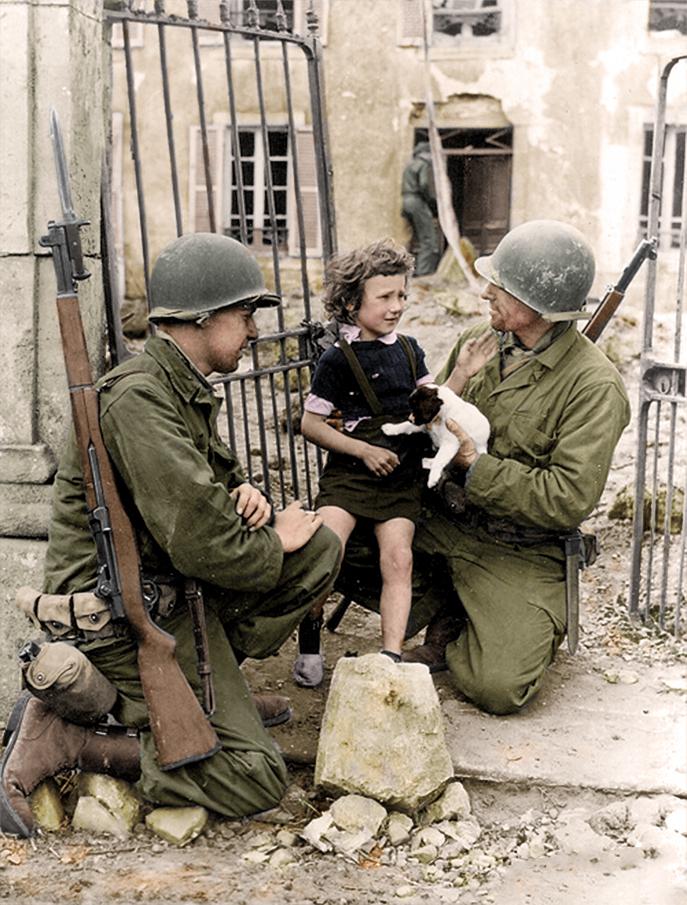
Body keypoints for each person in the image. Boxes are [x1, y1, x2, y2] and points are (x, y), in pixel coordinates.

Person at [0, 233, 341, 837]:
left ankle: (219, 689)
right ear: (202, 318)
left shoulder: (179, 387)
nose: (255, 331)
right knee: (257, 776)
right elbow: (207, 543)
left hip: (173, 590)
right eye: (245, 315)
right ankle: (76, 737)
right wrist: (270, 540)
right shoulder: (140, 400)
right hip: (122, 616)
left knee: (318, 549)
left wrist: (254, 497)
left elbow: (221, 489)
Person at [403, 219, 632, 714]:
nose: (487, 293)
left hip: (519, 549)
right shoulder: (479, 341)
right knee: (342, 554)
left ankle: (469, 624)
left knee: (500, 688)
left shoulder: (595, 387)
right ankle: (451, 601)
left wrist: (475, 466)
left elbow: (566, 497)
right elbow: (434, 413)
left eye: (501, 288)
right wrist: (457, 379)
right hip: (445, 523)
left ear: (541, 307)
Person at [292, 239, 434, 688]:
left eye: (402, 295)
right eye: (385, 297)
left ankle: (390, 655)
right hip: (350, 475)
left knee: (399, 558)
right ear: (353, 303)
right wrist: (362, 451)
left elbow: (432, 405)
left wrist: (460, 377)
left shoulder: (410, 351)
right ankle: (310, 644)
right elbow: (312, 425)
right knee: (324, 552)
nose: (397, 306)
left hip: (399, 476)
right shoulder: (337, 359)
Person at [401, 142, 441, 277]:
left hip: (406, 200)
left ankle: (407, 269)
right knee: (428, 238)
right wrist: (431, 201)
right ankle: (423, 272)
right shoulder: (423, 163)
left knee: (412, 237)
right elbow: (424, 184)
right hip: (417, 201)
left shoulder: (410, 165)